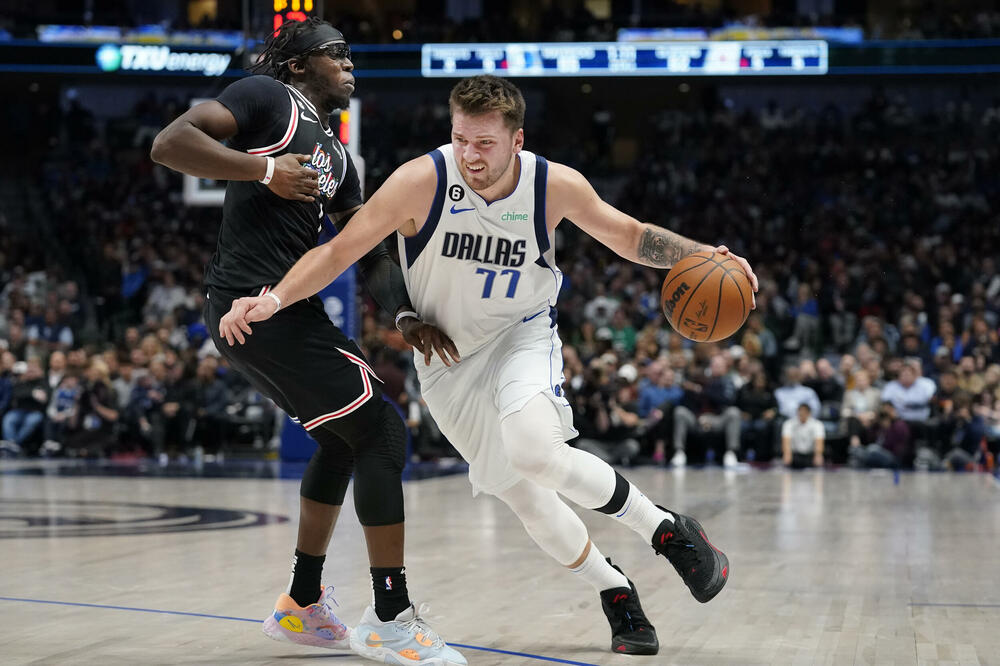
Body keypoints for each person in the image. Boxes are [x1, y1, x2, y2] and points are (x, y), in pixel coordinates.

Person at [221, 74, 758, 656]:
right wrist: (273, 298)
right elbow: (339, 251)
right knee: (526, 497)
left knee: (535, 450)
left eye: (485, 144)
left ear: (516, 140)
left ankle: (668, 532)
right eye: (461, 140)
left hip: (520, 336)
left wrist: (705, 255)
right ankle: (615, 590)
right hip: (448, 363)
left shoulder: (553, 185)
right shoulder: (420, 181)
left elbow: (630, 237)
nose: (471, 156)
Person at [150, 17, 465, 665]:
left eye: (352, 54)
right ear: (297, 65)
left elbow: (367, 249)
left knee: (343, 438)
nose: (350, 63)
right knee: (382, 430)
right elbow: (169, 143)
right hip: (254, 304)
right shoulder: (266, 98)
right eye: (335, 53)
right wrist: (262, 172)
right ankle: (391, 618)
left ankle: (300, 605)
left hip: (283, 309)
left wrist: (403, 314)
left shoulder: (340, 159)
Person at [781, 403, 825, 468]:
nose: (802, 414)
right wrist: (787, 454)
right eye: (800, 412)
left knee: (817, 462)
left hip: (810, 455)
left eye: (804, 412)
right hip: (795, 455)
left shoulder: (817, 424)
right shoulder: (789, 423)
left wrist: (818, 455)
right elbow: (786, 440)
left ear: (809, 413)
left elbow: (819, 441)